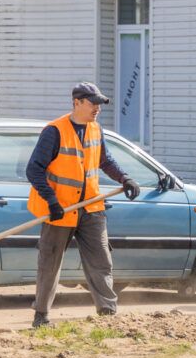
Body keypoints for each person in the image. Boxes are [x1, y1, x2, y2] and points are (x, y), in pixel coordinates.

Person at [26, 82, 141, 328]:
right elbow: (33, 170)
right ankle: (41, 316)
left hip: (91, 207)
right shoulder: (54, 131)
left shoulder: (95, 130)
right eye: (93, 103)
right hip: (60, 210)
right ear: (76, 102)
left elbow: (105, 161)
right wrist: (51, 200)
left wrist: (124, 178)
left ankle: (108, 315)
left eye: (99, 104)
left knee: (101, 260)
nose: (97, 108)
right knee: (50, 262)